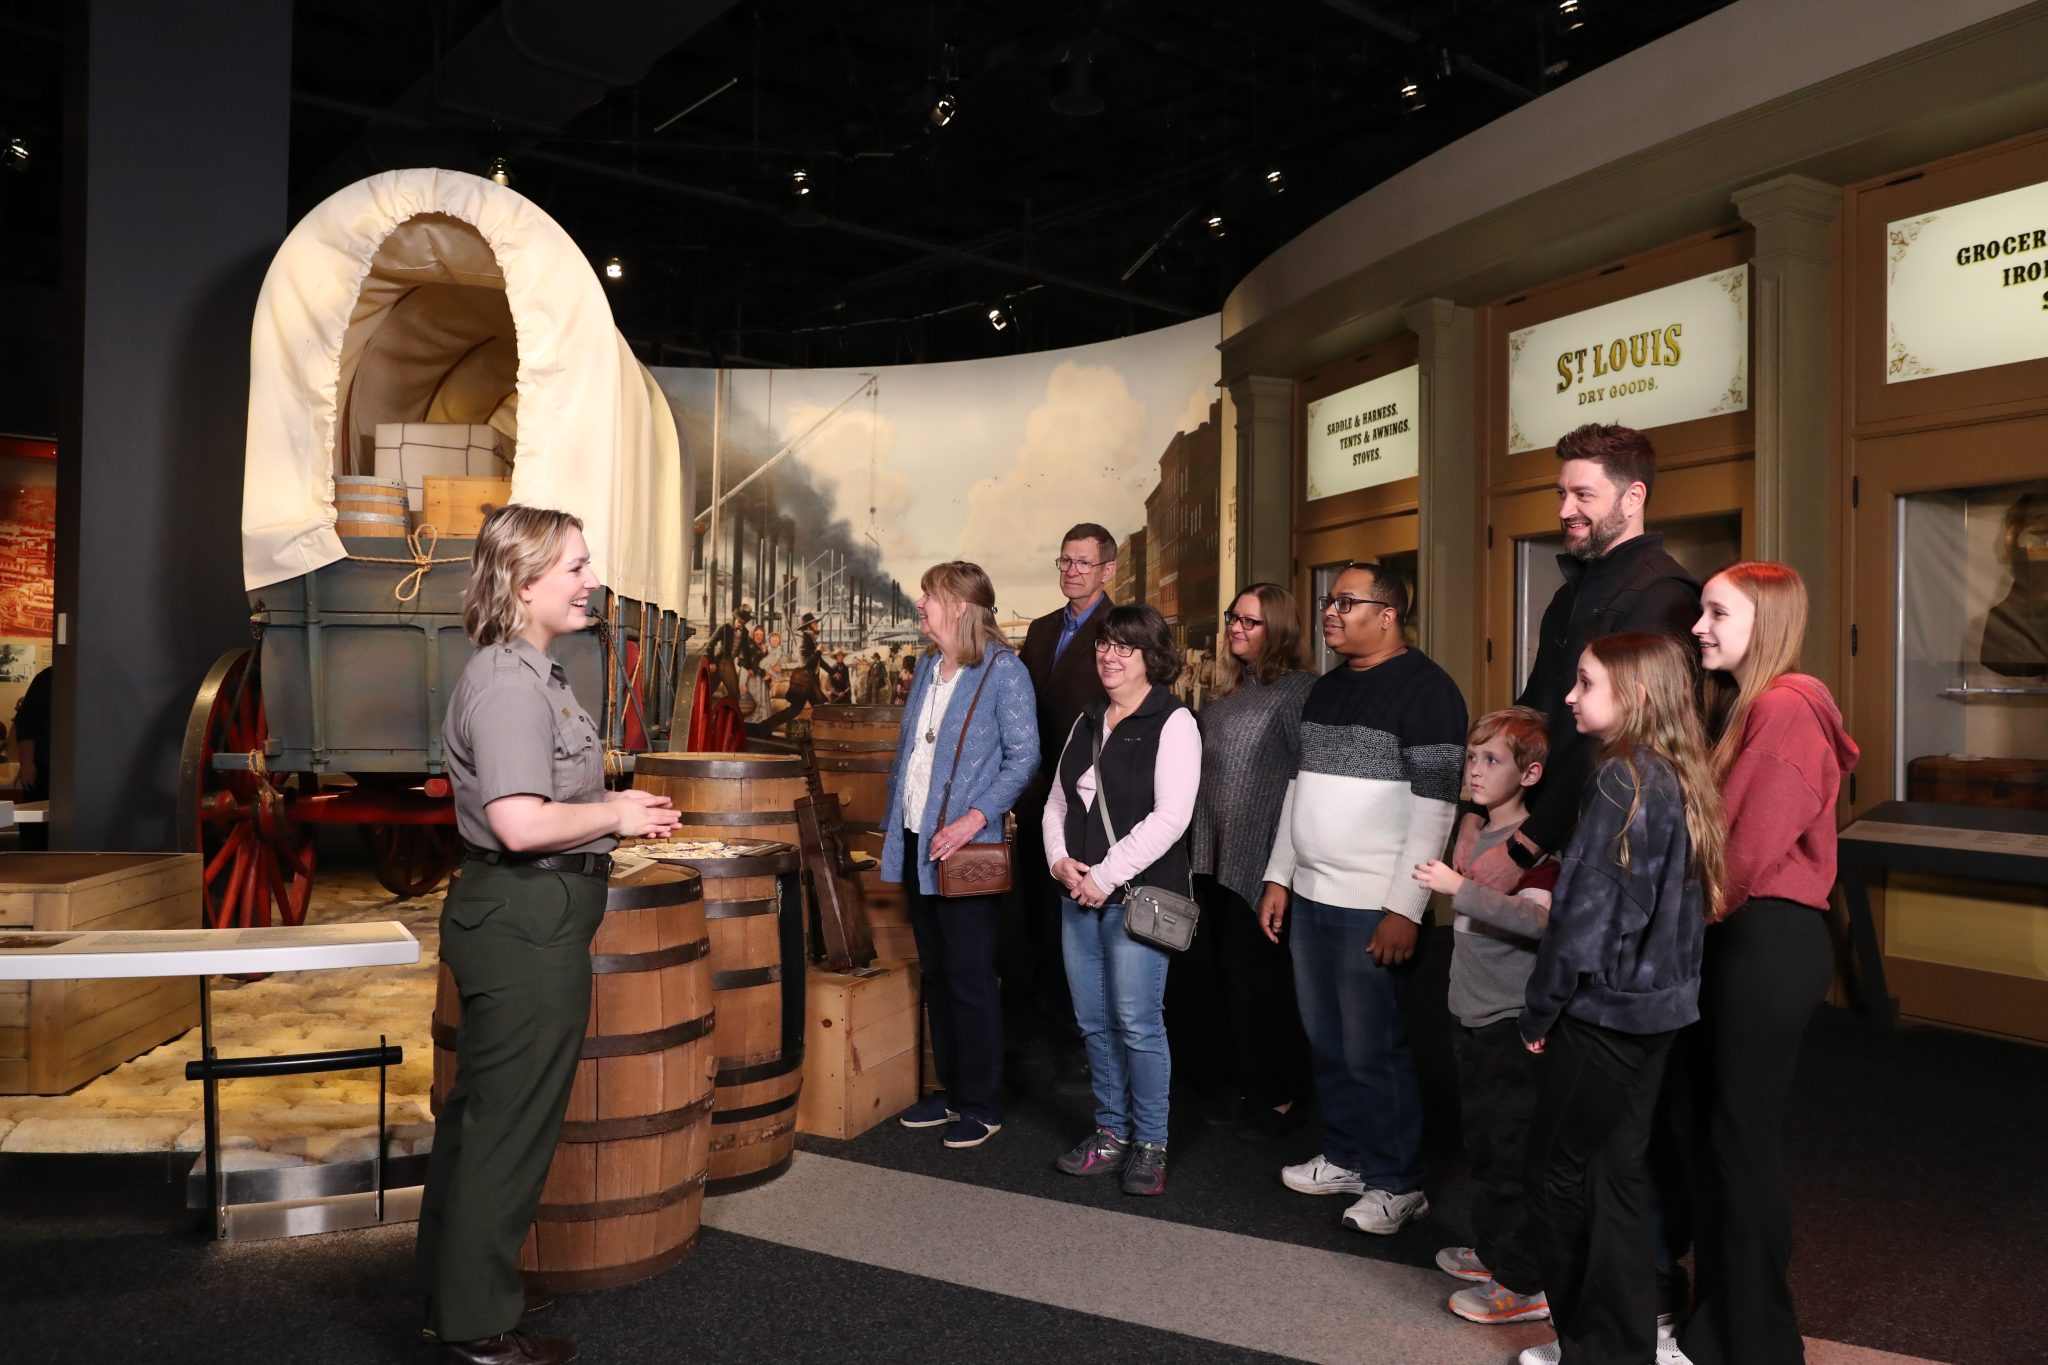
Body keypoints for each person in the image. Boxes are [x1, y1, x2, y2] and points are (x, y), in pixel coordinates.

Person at [418, 505, 681, 1365]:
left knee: (484, 1120)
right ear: (525, 582)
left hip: (527, 917)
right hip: (524, 921)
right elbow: (521, 823)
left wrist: (615, 813)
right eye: (575, 566)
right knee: (509, 1126)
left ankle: (451, 1297)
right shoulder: (507, 683)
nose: (592, 579)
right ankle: (476, 1327)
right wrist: (614, 810)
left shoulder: (535, 673)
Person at [1516, 632, 1723, 1365]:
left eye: (1584, 682)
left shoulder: (1619, 782)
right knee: (1618, 1174)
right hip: (1661, 1013)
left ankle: (1590, 1344)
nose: (1569, 697)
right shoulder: (1675, 774)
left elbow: (1587, 917)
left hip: (1606, 1013)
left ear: (1632, 696)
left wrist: (1541, 1008)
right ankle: (1623, 1345)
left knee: (1554, 1173)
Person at [1672, 563, 1857, 1365]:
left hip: (1763, 937)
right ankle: (1719, 1327)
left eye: (1717, 612)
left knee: (1738, 1140)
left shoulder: (1784, 707)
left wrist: (1663, 932)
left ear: (1766, 624)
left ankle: (1753, 1343)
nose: (1699, 627)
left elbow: (1740, 856)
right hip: (1747, 934)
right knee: (1719, 1135)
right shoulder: (1755, 706)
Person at [1258, 562, 1466, 1235]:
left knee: (1374, 1043)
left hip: (1373, 902)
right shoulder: (1325, 691)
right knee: (1327, 1038)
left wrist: (1406, 906)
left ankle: (1398, 1181)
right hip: (1314, 893)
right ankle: (1348, 1156)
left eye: (1346, 601)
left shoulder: (1429, 691)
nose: (1330, 611)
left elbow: (1436, 811)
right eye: (1329, 600)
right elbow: (1299, 791)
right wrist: (1279, 874)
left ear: (1389, 612)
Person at [1469, 423, 1702, 894]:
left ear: (1633, 497)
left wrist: (1523, 846)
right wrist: (1477, 811)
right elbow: (1534, 710)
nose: (1565, 510)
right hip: (1546, 834)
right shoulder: (1568, 595)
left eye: (1582, 495)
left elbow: (1628, 740)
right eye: (1561, 493)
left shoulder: (1662, 595)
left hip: (1609, 847)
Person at [1044, 603, 1200, 1196]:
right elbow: (1056, 803)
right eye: (1105, 644)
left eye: (1124, 647)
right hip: (1078, 894)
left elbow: (1172, 818)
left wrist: (1102, 876)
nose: (1109, 655)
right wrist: (1059, 861)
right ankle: (1111, 1133)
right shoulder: (1088, 720)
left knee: (1137, 1021)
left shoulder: (1174, 722)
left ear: (1151, 658)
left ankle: (1150, 1144)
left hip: (1137, 897)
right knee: (1093, 1022)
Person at [1412, 706, 1559, 1327]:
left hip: (1508, 1021)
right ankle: (1496, 1248)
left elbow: (1539, 922)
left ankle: (1523, 1283)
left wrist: (1460, 887)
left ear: (1530, 774)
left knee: (1509, 1151)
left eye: (1492, 760)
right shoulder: (1476, 833)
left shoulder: (1537, 850)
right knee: (1483, 1142)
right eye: (1472, 757)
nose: (1475, 769)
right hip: (1468, 1012)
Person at [884, 562, 1038, 1149]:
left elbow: (1023, 760)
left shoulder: (1005, 672)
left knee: (971, 977)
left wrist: (974, 821)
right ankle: (950, 1090)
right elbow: (913, 755)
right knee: (939, 973)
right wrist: (897, 833)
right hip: (918, 842)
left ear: (960, 606)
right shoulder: (927, 666)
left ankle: (982, 1101)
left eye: (930, 596)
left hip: (965, 849)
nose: (920, 604)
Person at [1188, 583, 1315, 1141]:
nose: (1236, 628)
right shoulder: (1229, 694)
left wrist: (1279, 875)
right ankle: (1250, 1084)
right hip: (1212, 858)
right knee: (1229, 980)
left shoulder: (1299, 693)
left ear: (1280, 629)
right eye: (1233, 618)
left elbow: (1304, 782)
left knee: (1260, 983)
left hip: (1263, 864)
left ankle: (1279, 1096)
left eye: (1251, 622)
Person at [1015, 522, 1120, 1087]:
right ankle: (1054, 1029)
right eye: (1065, 562)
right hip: (1038, 795)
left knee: (1086, 918)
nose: (1072, 572)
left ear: (1108, 569)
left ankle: (1089, 1041)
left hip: (1092, 797)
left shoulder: (1123, 628)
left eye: (1083, 563)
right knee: (1041, 918)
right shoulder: (1040, 630)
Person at [750, 613, 824, 736]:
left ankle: (762, 727)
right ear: (809, 626)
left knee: (797, 710)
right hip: (804, 683)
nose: (817, 625)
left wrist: (833, 672)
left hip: (809, 682)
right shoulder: (804, 640)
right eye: (815, 623)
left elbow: (820, 660)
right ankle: (761, 727)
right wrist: (817, 652)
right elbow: (805, 663)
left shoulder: (810, 640)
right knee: (803, 710)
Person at [12, 664, 50, 851]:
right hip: (43, 769)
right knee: (36, 837)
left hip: (52, 766)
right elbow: (27, 724)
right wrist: (27, 763)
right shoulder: (48, 678)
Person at [704, 603, 756, 709]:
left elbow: (746, 651)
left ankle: (723, 718)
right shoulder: (725, 628)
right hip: (722, 661)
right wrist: (712, 662)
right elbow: (710, 644)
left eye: (743, 623)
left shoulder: (745, 632)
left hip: (730, 662)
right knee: (734, 694)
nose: (740, 625)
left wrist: (749, 667)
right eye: (739, 622)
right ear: (735, 618)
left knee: (709, 691)